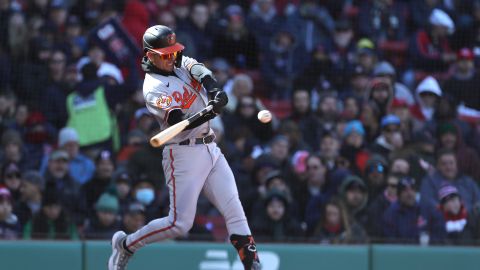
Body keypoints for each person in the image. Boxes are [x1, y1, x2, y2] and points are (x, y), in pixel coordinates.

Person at [108, 25, 260, 270]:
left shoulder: (176, 60)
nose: (172, 57)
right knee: (179, 224)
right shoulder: (153, 88)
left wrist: (213, 89)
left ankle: (253, 266)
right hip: (183, 152)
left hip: (211, 147)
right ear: (150, 55)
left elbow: (197, 68)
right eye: (165, 54)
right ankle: (126, 244)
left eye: (173, 51)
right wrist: (209, 111)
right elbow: (178, 123)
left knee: (234, 210)